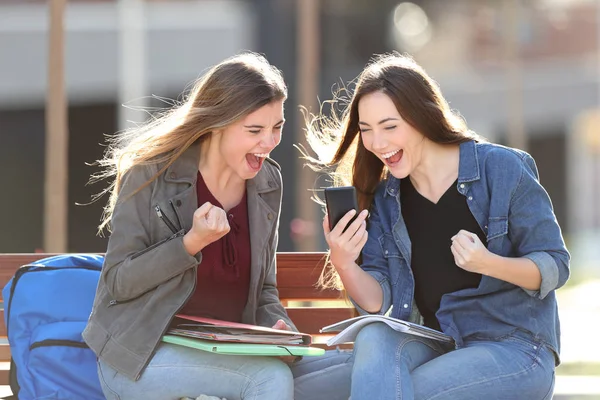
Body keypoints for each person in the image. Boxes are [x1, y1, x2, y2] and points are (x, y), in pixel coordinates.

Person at [83, 53, 352, 400]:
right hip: (142, 358)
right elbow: (119, 282)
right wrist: (190, 243)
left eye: (277, 127)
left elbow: (264, 290)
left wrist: (278, 329)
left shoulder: (267, 182)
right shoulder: (152, 175)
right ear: (216, 124)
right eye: (255, 130)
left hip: (231, 356)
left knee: (354, 370)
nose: (269, 142)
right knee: (268, 381)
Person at [305, 53, 569, 400]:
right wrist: (343, 260)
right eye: (366, 130)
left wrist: (488, 263)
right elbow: (377, 300)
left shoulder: (503, 170)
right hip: (435, 344)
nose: (377, 143)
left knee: (405, 392)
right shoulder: (386, 199)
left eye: (389, 126)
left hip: (514, 348)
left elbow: (555, 266)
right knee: (321, 368)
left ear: (422, 117)